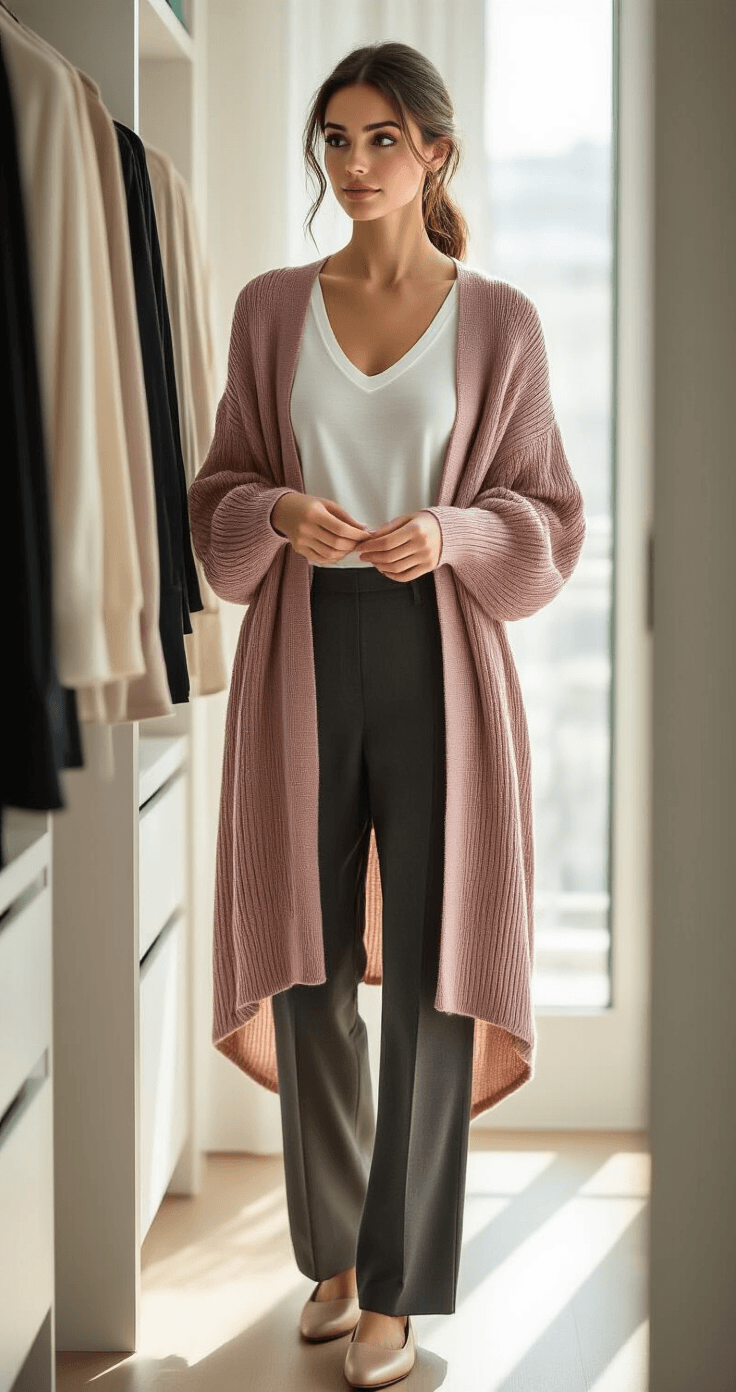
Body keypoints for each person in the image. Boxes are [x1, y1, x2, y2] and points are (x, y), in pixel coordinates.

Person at [188, 38, 586, 1392]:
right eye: (336, 142)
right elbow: (217, 497)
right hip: (300, 652)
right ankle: (339, 1251)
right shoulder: (266, 309)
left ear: (436, 154)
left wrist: (456, 529)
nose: (353, 168)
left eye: (379, 141)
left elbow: (547, 513)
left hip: (442, 670)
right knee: (305, 967)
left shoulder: (504, 322)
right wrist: (280, 512)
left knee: (422, 975)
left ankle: (399, 1295)